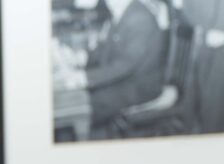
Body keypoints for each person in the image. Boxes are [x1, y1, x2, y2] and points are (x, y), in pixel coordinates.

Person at [58, 0, 168, 138]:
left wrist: (85, 78)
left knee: (91, 101)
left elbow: (125, 64)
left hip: (141, 87)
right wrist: (83, 57)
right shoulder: (121, 12)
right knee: (83, 96)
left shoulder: (140, 17)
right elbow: (107, 49)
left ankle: (88, 142)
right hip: (128, 80)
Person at [181, 0, 224, 133]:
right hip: (202, 38)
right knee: (195, 104)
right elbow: (188, 11)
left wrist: (221, 30)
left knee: (212, 108)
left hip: (217, 42)